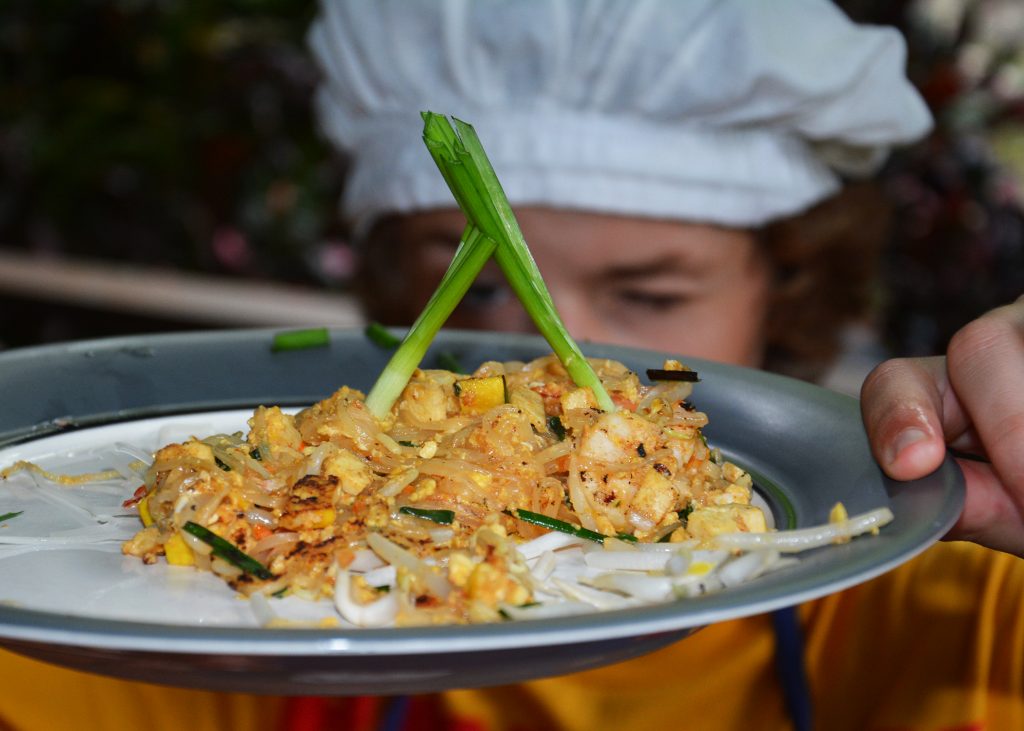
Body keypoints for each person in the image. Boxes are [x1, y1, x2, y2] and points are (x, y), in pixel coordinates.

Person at [0, 2, 1021, 730]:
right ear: (401, 293)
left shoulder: (934, 594)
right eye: (481, 287)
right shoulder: (223, 636)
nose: (547, 354)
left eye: (651, 296)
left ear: (789, 292)